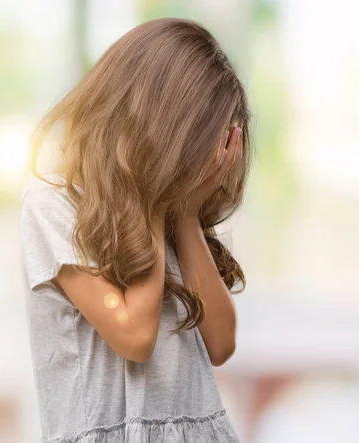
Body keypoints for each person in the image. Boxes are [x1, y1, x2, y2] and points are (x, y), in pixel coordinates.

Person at [19, 17, 251, 443]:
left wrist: (184, 213)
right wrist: (149, 197)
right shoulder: (53, 205)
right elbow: (134, 335)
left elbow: (221, 343)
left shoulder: (172, 211)